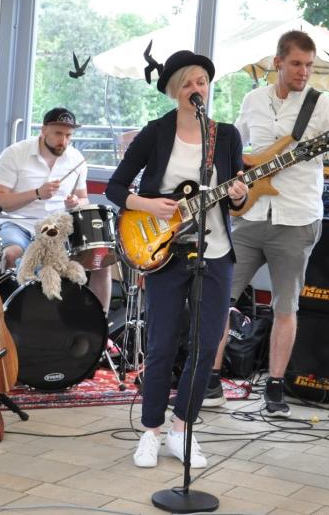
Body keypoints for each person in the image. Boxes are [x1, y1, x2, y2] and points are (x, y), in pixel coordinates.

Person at [205, 30, 329, 415]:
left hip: (296, 218)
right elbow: (235, 149)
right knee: (218, 300)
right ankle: (209, 379)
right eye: (296, 64)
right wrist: (233, 178)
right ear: (278, 62)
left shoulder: (323, 105)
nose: (303, 72)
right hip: (248, 216)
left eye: (309, 65)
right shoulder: (252, 99)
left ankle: (275, 386)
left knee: (285, 306)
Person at [106, 50, 248, 469]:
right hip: (163, 252)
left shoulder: (226, 136)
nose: (196, 89)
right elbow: (115, 188)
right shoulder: (155, 132)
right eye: (187, 83)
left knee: (206, 344)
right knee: (162, 342)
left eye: (202, 81)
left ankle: (182, 429)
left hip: (216, 252)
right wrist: (147, 205)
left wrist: (239, 195)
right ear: (173, 90)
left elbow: (235, 192)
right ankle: (150, 431)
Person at [0, 107, 112, 313]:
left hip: (58, 229)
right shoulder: (15, 154)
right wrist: (37, 193)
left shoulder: (76, 159)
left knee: (102, 261)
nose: (63, 141)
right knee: (11, 254)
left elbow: (83, 198)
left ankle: (97, 329)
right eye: (58, 133)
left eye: (68, 135)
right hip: (20, 223)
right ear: (43, 130)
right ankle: (9, 317)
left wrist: (76, 203)